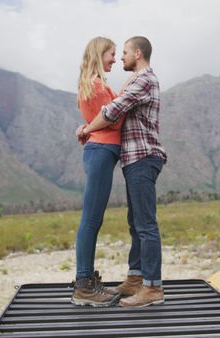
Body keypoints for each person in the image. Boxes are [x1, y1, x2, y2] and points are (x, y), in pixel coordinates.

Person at [77, 36, 167, 307]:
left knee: (145, 223)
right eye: (115, 53)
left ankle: (151, 287)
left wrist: (86, 129)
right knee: (135, 221)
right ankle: (136, 277)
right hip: (130, 157)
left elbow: (114, 109)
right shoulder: (132, 80)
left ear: (137, 54)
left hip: (141, 156)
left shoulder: (144, 79)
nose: (119, 58)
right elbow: (117, 102)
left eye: (124, 52)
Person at [71, 36, 124, 307]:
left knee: (93, 219)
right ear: (99, 53)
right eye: (111, 54)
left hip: (100, 151)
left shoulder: (91, 84)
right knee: (91, 220)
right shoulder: (97, 85)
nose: (115, 59)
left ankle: (87, 280)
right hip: (102, 151)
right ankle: (84, 286)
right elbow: (115, 120)